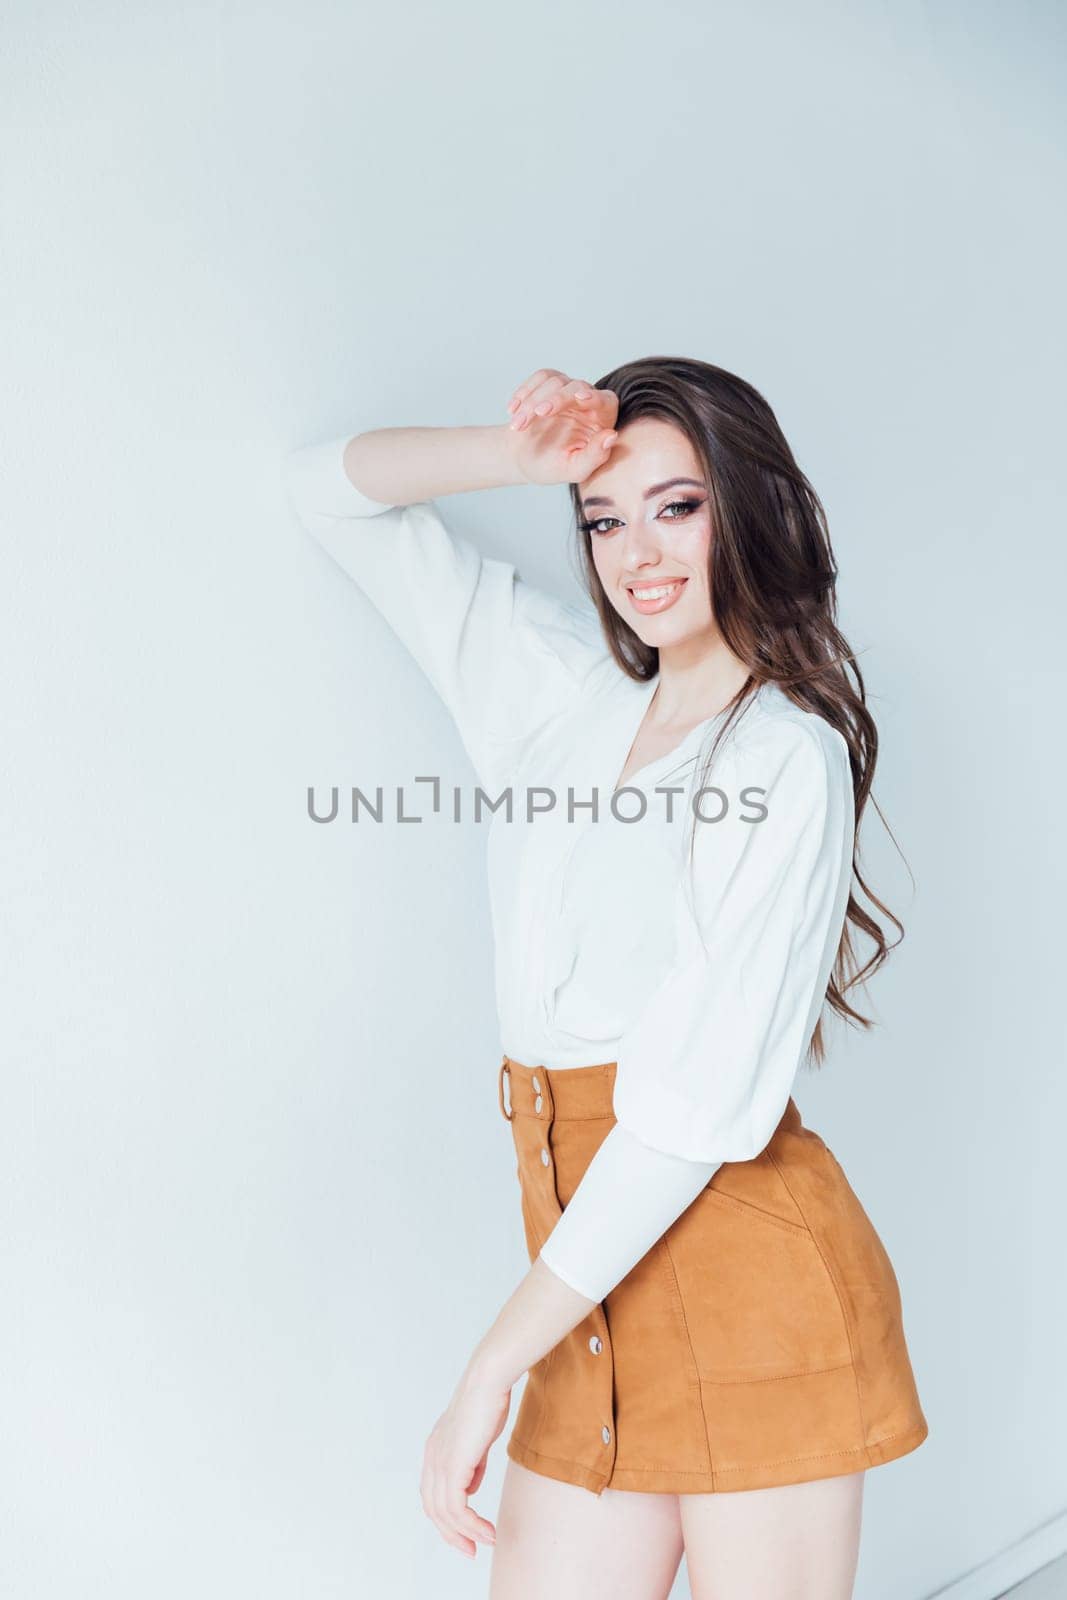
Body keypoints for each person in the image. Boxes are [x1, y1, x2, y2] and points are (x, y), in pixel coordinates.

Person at [282, 358, 929, 1600]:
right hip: (586, 1289)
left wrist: (487, 1369)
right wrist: (521, 455)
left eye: (675, 506)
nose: (636, 551)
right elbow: (325, 489)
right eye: (602, 514)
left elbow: (685, 1121)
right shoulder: (548, 701)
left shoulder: (785, 760)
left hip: (744, 1285)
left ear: (753, 510)